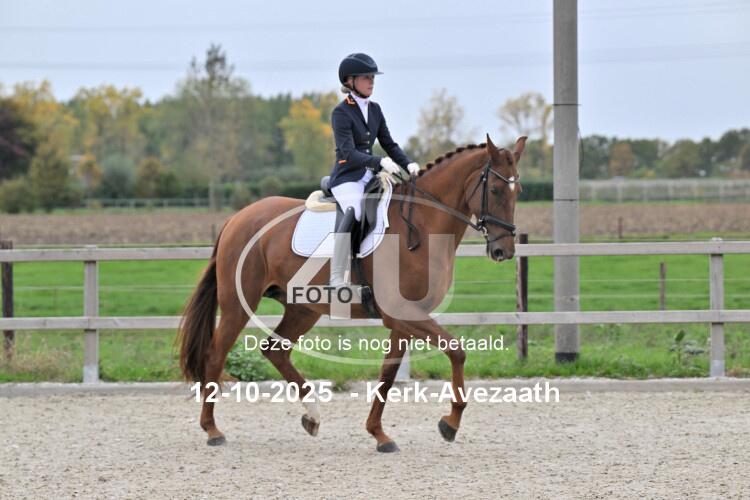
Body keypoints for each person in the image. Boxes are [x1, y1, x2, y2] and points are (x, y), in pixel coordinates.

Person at [328, 52, 420, 289]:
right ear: (350, 81)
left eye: (372, 77)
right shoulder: (341, 113)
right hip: (347, 177)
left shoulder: (375, 109)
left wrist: (408, 163)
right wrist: (379, 162)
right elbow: (348, 153)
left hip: (371, 176)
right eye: (366, 77)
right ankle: (336, 276)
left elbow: (389, 143)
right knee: (355, 210)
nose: (371, 82)